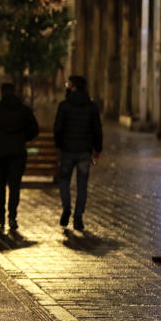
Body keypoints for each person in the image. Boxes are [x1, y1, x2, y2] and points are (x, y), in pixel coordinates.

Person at [0, 83, 39, 231]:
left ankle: (0, 214)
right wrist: (23, 139)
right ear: (15, 93)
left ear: (2, 93)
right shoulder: (24, 111)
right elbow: (34, 129)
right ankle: (12, 216)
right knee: (14, 186)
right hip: (18, 152)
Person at [53, 75, 102, 232]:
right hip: (84, 152)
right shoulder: (91, 107)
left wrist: (59, 145)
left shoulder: (64, 106)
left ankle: (66, 206)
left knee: (64, 180)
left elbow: (58, 128)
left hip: (67, 150)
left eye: (69, 83)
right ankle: (78, 217)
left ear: (73, 86)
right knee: (82, 185)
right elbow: (97, 130)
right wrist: (97, 149)